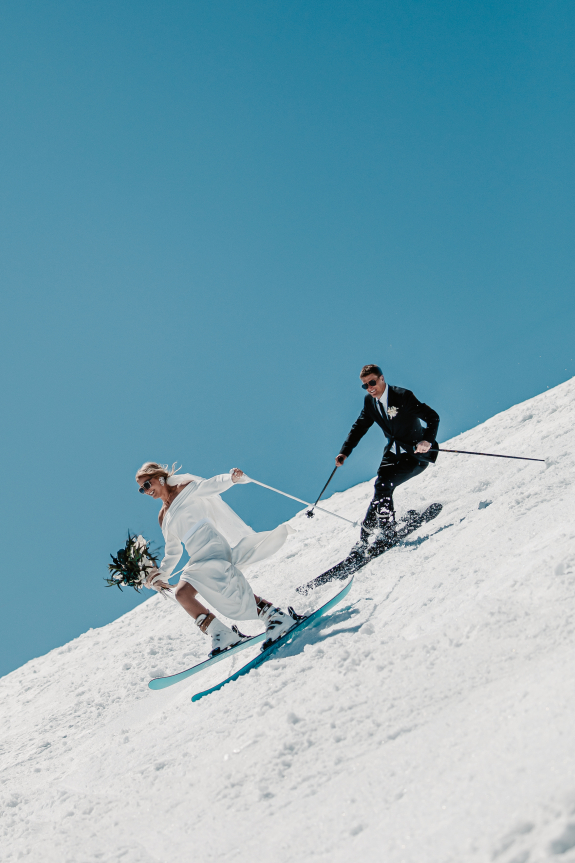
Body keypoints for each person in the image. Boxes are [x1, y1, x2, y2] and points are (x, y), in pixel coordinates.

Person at [136, 462, 299, 657]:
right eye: (141, 489)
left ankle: (275, 617)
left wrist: (231, 478)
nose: (146, 491)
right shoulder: (163, 516)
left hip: (212, 543)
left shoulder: (184, 488)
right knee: (182, 595)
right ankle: (222, 633)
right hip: (197, 554)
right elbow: (173, 550)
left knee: (226, 587)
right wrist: (161, 575)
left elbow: (210, 485)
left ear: (160, 478)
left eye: (147, 484)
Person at [335, 364, 439, 553]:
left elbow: (433, 417)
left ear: (382, 379)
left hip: (414, 455)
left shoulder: (402, 396)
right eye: (365, 385)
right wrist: (345, 452)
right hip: (392, 453)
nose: (370, 388)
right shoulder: (370, 402)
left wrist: (427, 441)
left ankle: (387, 532)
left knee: (383, 486)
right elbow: (359, 427)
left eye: (372, 382)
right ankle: (364, 539)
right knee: (379, 488)